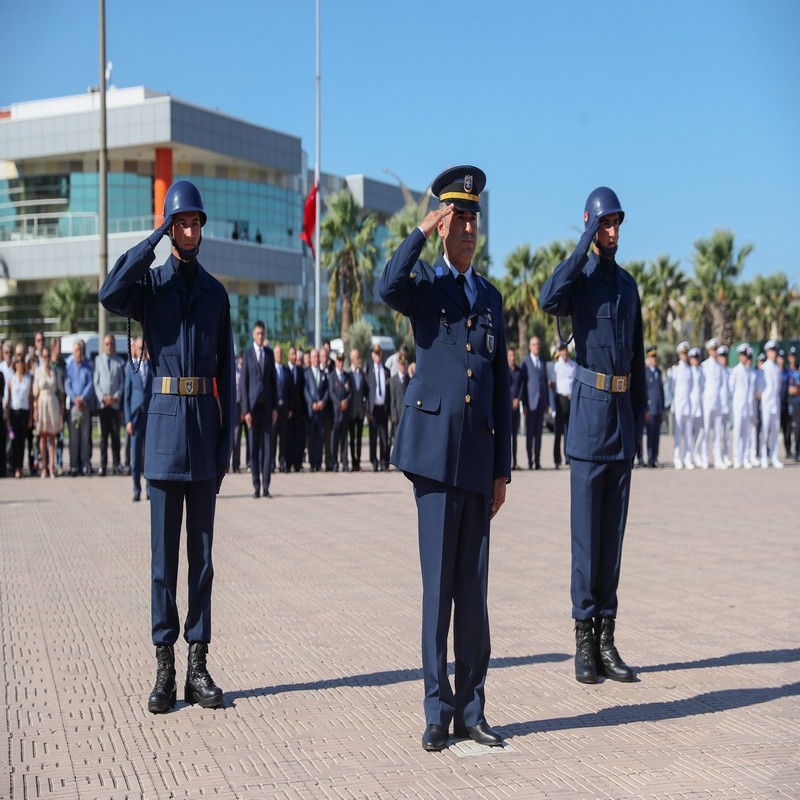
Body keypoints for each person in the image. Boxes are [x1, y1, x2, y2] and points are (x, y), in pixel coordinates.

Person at [379, 165, 511, 751]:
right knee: (438, 592)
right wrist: (418, 231)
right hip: (433, 459)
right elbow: (386, 285)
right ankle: (436, 709)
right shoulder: (424, 288)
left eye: (474, 219)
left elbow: (500, 387)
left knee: (473, 595)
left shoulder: (491, 298)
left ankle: (472, 708)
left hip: (479, 463)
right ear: (443, 224)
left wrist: (504, 467)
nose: (468, 230)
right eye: (458, 219)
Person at [99, 179, 235, 714]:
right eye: (181, 223)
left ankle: (198, 664)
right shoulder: (150, 287)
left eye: (195, 223)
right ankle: (164, 666)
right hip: (161, 437)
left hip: (203, 435)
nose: (190, 230)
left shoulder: (216, 294)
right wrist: (154, 237)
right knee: (163, 562)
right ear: (170, 228)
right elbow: (110, 291)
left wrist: (225, 448)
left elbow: (227, 372)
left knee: (200, 560)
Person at [540, 186, 645, 685]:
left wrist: (640, 426)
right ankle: (583, 638)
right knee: (586, 541)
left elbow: (639, 362)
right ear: (590, 226)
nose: (613, 232)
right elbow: (547, 298)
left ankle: (607, 636)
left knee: (613, 541)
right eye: (604, 224)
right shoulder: (579, 279)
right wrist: (582, 243)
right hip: (587, 422)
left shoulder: (626, 286)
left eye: (616, 224)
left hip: (621, 422)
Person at [241, 321, 278, 498]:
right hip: (253, 410)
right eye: (258, 333)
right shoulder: (247, 355)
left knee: (267, 449)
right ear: (253, 335)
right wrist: (246, 411)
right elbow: (243, 384)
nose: (260, 336)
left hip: (267, 408)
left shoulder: (269, 354)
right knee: (254, 449)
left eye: (262, 333)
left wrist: (275, 407)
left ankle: (266, 486)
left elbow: (274, 382)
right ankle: (256, 486)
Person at [124, 337, 153, 501]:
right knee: (135, 458)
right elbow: (126, 397)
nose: (143, 351)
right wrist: (128, 420)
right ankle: (136, 489)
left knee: (148, 456)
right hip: (135, 418)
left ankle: (149, 489)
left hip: (149, 417)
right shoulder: (130, 368)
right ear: (134, 349)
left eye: (145, 348)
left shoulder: (152, 366)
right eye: (140, 347)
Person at [93, 333, 125, 476]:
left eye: (111, 343)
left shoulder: (119, 362)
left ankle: (117, 464)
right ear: (103, 345)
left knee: (115, 437)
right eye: (107, 344)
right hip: (103, 405)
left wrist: (115, 397)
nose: (109, 346)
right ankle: (103, 465)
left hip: (114, 405)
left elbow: (122, 383)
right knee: (103, 438)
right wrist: (103, 398)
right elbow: (96, 382)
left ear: (114, 345)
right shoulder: (98, 360)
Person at [33, 346, 64, 479]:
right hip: (42, 404)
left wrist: (62, 406)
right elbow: (35, 393)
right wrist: (35, 410)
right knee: (42, 437)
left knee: (52, 437)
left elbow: (60, 390)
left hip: (53, 405)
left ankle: (52, 467)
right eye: (44, 356)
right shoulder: (38, 371)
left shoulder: (55, 371)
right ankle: (44, 467)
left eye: (48, 356)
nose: (46, 359)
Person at [65, 340, 94, 476]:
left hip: (85, 406)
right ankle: (74, 466)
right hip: (74, 406)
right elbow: (67, 384)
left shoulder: (88, 365)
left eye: (80, 350)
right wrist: (75, 398)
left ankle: (85, 464)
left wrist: (82, 398)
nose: (78, 352)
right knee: (74, 438)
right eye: (76, 350)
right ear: (73, 352)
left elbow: (90, 383)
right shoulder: (69, 366)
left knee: (84, 436)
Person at [519, 336, 548, 469]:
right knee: (530, 434)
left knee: (539, 435)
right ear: (530, 347)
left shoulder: (542, 361)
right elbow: (523, 385)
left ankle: (537, 461)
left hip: (541, 403)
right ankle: (530, 461)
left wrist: (547, 403)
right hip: (530, 403)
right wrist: (523, 403)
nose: (537, 346)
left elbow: (545, 383)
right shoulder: (525, 362)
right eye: (534, 344)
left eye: (538, 344)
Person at [5, 353, 33, 478]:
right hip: (14, 412)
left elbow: (31, 399)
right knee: (13, 441)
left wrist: (32, 416)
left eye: (22, 361)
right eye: (17, 361)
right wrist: (8, 418)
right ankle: (13, 465)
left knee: (22, 441)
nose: (20, 364)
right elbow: (9, 398)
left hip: (25, 412)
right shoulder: (12, 379)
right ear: (15, 364)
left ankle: (20, 467)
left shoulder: (28, 378)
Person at [700, 338, 726, 469]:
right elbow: (701, 386)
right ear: (709, 351)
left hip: (717, 402)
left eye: (716, 349)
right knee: (706, 431)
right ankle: (704, 457)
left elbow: (722, 386)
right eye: (713, 349)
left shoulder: (720, 367)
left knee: (717, 432)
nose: (715, 352)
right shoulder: (704, 366)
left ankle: (717, 457)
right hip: (707, 402)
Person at [365, 344, 390, 471]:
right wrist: (366, 409)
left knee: (384, 437)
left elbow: (389, 392)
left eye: (379, 353)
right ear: (372, 355)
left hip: (383, 409)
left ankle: (384, 461)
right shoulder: (369, 371)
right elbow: (366, 391)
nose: (378, 356)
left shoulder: (386, 371)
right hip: (373, 409)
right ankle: (374, 461)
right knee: (373, 437)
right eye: (376, 353)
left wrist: (389, 410)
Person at [758, 340, 783, 468]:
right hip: (767, 403)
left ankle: (774, 456)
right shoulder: (763, 368)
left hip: (775, 402)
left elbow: (778, 387)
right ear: (767, 352)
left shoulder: (777, 368)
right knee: (765, 429)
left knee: (775, 430)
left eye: (774, 351)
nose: (773, 353)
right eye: (771, 351)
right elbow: (761, 387)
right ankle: (763, 456)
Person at [551, 343, 576, 469]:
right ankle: (557, 459)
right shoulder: (556, 366)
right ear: (560, 352)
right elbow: (552, 386)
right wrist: (553, 408)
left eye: (566, 351)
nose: (565, 353)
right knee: (558, 432)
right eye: (563, 351)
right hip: (560, 400)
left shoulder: (573, 365)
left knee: (570, 432)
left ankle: (569, 457)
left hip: (570, 399)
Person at [304, 348, 328, 472]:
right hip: (311, 411)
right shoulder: (306, 373)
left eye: (318, 357)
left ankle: (319, 463)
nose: (316, 359)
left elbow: (326, 391)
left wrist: (323, 402)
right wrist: (312, 403)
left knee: (320, 438)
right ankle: (312, 463)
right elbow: (305, 390)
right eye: (314, 357)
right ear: (311, 358)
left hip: (321, 411)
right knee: (311, 438)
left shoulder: (324, 374)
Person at [729, 343, 753, 468]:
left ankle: (745, 456)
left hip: (747, 406)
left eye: (746, 356)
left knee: (746, 432)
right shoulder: (736, 371)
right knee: (737, 431)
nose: (745, 358)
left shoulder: (749, 371)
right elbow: (731, 388)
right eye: (743, 355)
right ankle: (736, 457)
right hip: (738, 405)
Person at [328, 350, 352, 471]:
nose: (341, 363)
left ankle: (345, 462)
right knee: (334, 440)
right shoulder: (332, 376)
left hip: (345, 413)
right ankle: (334, 463)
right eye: (339, 361)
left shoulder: (347, 376)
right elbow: (331, 393)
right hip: (335, 413)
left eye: (342, 361)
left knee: (344, 440)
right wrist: (339, 403)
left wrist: (346, 401)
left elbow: (350, 392)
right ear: (336, 362)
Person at [643, 346, 665, 468]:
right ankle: (650, 458)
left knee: (657, 435)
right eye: (652, 357)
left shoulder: (659, 372)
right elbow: (644, 392)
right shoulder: (646, 372)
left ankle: (655, 457)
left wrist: (662, 408)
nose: (654, 359)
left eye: (655, 357)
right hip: (650, 409)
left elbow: (660, 391)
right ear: (648, 358)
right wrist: (646, 409)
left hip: (658, 408)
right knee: (650, 434)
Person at [348, 347, 368, 471]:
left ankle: (358, 462)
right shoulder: (348, 374)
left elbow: (365, 391)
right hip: (351, 411)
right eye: (357, 358)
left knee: (359, 439)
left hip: (360, 411)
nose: (359, 360)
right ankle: (353, 462)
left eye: (359, 358)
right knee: (352, 439)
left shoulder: (361, 373)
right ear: (352, 359)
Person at [272, 344, 291, 473]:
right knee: (273, 439)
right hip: (274, 411)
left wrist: (290, 408)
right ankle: (272, 464)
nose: (279, 355)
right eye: (277, 353)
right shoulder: (270, 370)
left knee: (284, 438)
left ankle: (282, 462)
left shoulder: (286, 371)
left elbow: (290, 392)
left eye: (280, 353)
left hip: (284, 410)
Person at [389, 352, 410, 440]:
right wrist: (394, 416)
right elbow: (392, 400)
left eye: (404, 364)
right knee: (397, 439)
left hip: (407, 415)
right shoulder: (393, 380)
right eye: (401, 364)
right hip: (397, 416)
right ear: (398, 365)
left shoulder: (409, 379)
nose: (403, 367)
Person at [507, 349, 522, 470]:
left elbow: (522, 387)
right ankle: (507, 463)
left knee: (515, 437)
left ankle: (515, 462)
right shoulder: (504, 371)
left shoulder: (519, 371)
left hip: (516, 407)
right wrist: (510, 400)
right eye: (510, 356)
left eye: (513, 356)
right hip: (507, 407)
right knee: (507, 437)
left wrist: (518, 399)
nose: (512, 358)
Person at [786, 346, 800, 461]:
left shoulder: (797, 370)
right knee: (791, 427)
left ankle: (796, 451)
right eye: (791, 355)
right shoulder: (787, 371)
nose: (793, 358)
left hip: (798, 401)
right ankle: (790, 450)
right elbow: (789, 389)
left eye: (794, 355)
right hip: (792, 402)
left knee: (798, 428)